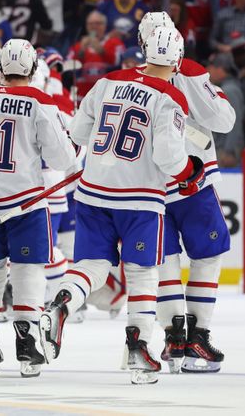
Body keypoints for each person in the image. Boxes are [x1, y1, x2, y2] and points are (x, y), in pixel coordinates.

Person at [41, 25, 203, 385]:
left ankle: (64, 299)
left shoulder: (106, 82)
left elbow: (79, 135)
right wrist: (190, 169)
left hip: (93, 192)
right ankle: (139, 348)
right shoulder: (170, 97)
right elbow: (168, 155)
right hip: (139, 198)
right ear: (177, 58)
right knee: (143, 272)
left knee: (91, 265)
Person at [0, 39, 75, 378]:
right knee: (29, 269)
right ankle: (26, 340)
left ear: (2, 69)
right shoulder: (40, 102)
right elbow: (63, 159)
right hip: (26, 202)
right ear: (34, 69)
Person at [136, 13, 235, 374]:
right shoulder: (190, 71)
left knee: (165, 260)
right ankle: (197, 337)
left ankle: (174, 337)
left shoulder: (128, 79)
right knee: (208, 255)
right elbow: (225, 120)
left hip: (148, 187)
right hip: (192, 182)